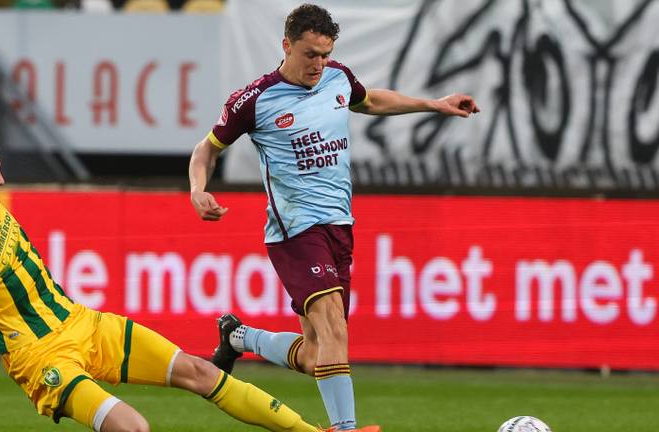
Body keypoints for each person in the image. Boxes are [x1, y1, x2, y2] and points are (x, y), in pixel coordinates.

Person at [0, 7, 328, 432]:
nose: (1, 179)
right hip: (41, 357)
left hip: (80, 322)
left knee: (201, 372)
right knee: (133, 427)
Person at [188, 4, 479, 432]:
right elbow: (206, 150)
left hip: (340, 226)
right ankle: (344, 428)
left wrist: (434, 104)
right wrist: (198, 189)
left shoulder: (337, 76)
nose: (318, 64)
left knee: (316, 352)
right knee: (335, 329)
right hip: (294, 229)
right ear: (286, 46)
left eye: (325, 54)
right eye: (310, 54)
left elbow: (371, 100)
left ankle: (238, 337)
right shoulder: (254, 100)